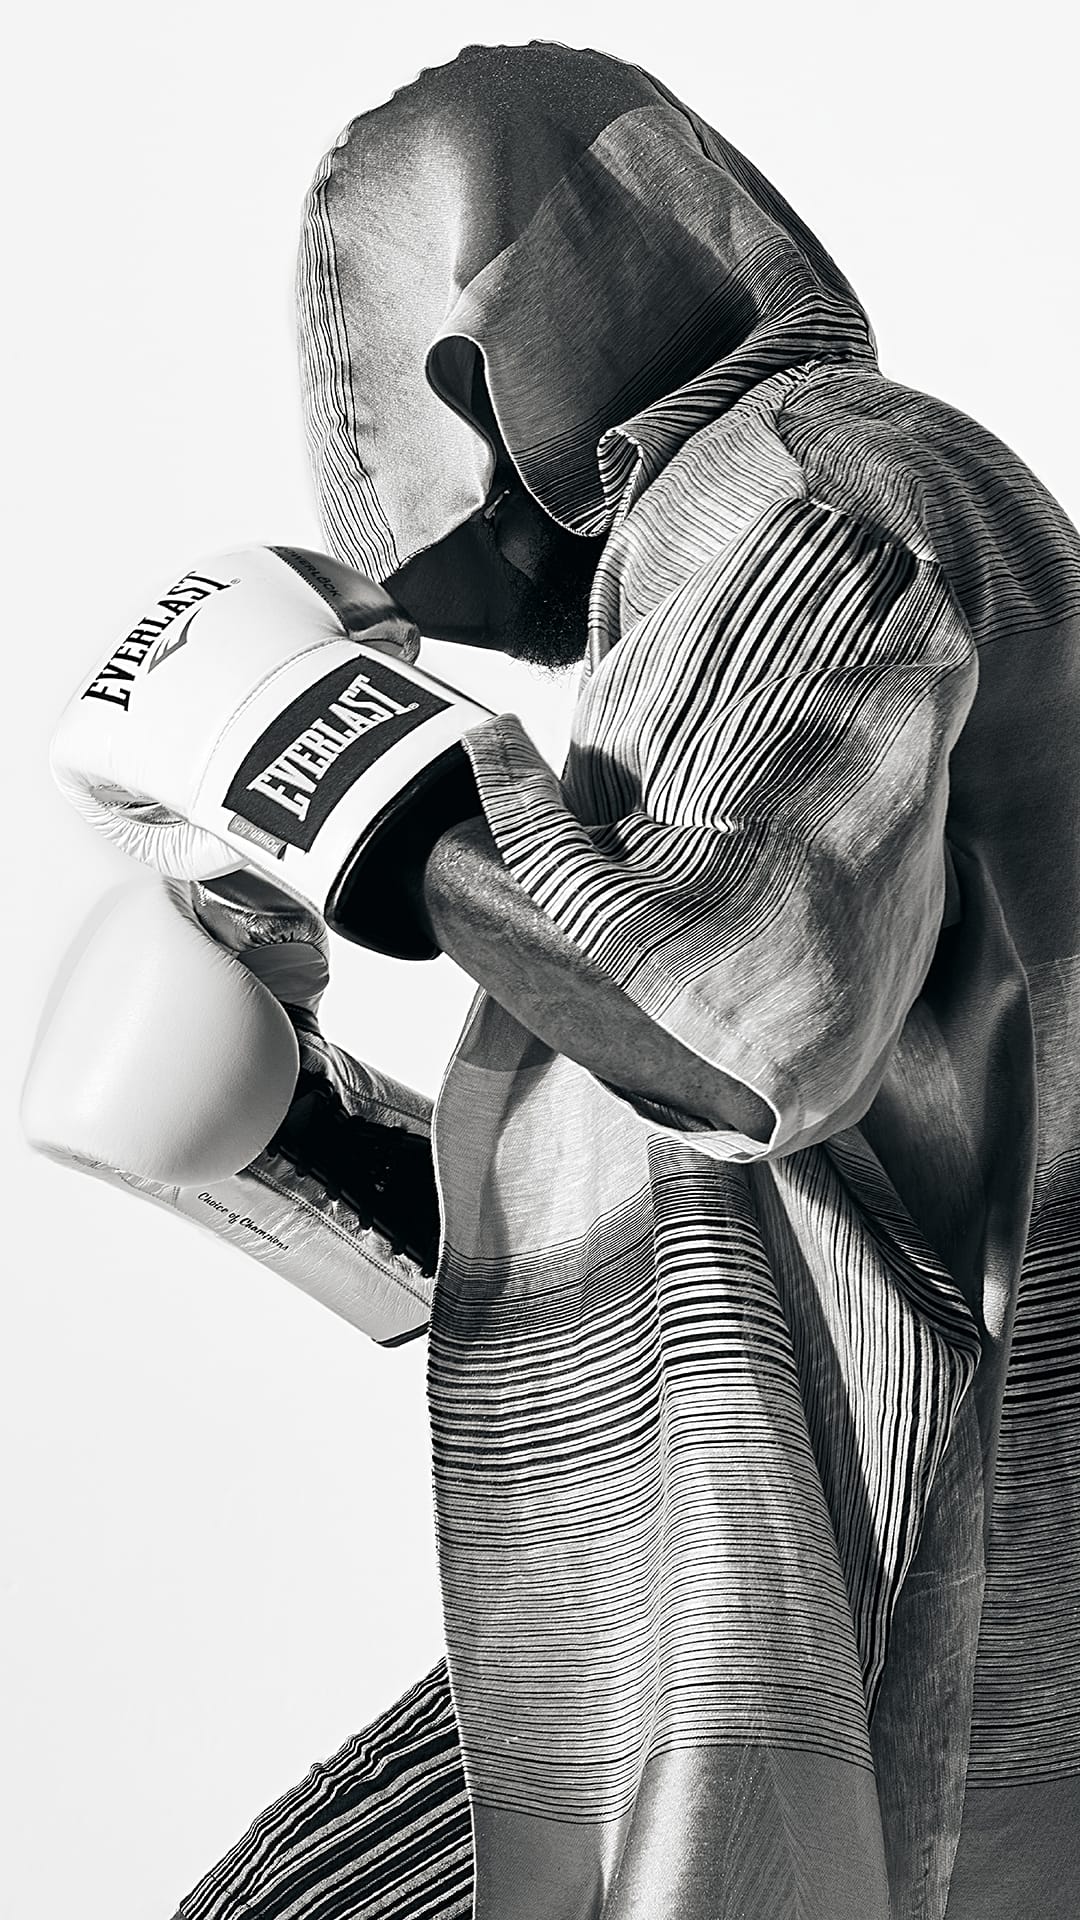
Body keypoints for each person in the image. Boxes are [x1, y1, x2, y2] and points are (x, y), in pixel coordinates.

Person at [28, 39, 1080, 1920]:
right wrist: (298, 1143)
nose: (404, 565)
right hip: (773, 1590)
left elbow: (735, 1034)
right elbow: (731, 1211)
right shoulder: (711, 595)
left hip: (883, 1603)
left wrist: (336, 774)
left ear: (471, 379)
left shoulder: (813, 489)